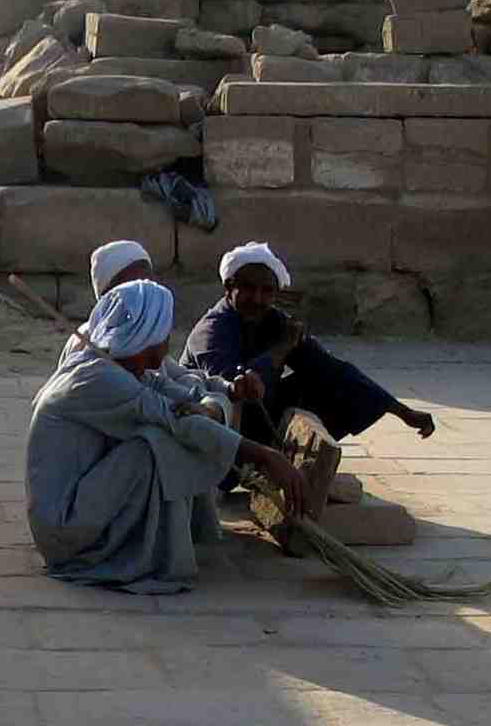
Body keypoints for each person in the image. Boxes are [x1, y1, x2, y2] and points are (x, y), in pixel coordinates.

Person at [26, 279, 304, 593]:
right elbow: (177, 419)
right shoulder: (96, 377)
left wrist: (215, 403)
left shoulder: (123, 368)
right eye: (164, 334)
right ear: (146, 336)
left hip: (77, 509)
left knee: (173, 434)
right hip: (64, 529)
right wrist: (265, 455)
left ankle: (174, 535)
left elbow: (184, 396)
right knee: (157, 444)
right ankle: (138, 552)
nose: (167, 342)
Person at [180, 242, 437, 446]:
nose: (258, 299)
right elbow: (232, 390)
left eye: (267, 291)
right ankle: (260, 462)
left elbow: (330, 368)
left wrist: (402, 412)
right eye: (248, 288)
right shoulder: (212, 329)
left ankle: (291, 456)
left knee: (334, 381)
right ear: (229, 288)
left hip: (255, 422)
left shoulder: (275, 321)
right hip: (216, 433)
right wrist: (281, 349)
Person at [55, 240, 264, 414]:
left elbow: (176, 377)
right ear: (109, 297)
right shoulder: (93, 344)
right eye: (133, 287)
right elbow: (155, 408)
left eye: (148, 282)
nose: (145, 293)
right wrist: (209, 409)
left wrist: (229, 389)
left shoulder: (142, 339)